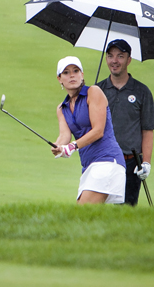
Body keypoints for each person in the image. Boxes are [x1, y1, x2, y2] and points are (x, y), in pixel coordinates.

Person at [52, 56, 126, 204]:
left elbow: (98, 131)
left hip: (107, 161)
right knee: (90, 221)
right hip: (89, 166)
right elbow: (64, 135)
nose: (72, 75)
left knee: (80, 215)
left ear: (82, 75)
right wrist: (58, 147)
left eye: (76, 70)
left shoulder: (94, 92)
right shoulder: (62, 108)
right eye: (66, 72)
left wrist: (72, 146)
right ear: (59, 78)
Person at [96, 39, 154, 206]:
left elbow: (147, 129)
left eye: (120, 56)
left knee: (125, 213)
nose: (114, 61)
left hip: (130, 163)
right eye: (110, 56)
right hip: (102, 159)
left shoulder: (141, 91)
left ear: (129, 60)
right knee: (96, 210)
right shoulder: (97, 90)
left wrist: (146, 162)